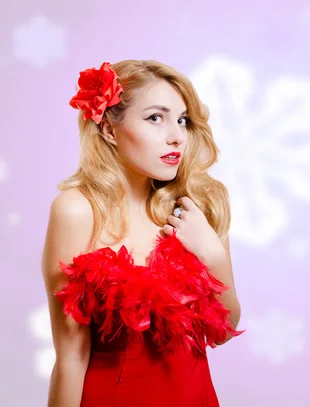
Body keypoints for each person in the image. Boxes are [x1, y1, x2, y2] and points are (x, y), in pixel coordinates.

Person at [40, 60, 243, 407]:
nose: (177, 135)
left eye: (182, 120)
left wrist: (213, 254)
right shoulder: (77, 211)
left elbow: (223, 331)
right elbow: (71, 356)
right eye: (155, 118)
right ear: (108, 130)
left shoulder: (195, 207)